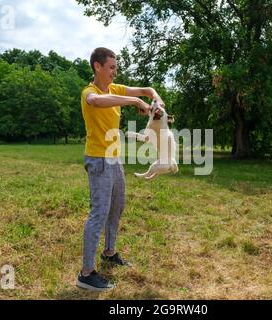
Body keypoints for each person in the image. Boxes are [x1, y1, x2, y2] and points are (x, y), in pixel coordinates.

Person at [77, 47, 165, 291]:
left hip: (115, 159)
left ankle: (109, 252)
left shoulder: (114, 89)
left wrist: (155, 100)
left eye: (116, 67)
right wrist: (135, 101)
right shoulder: (90, 92)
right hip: (99, 160)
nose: (115, 72)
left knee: (117, 206)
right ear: (98, 66)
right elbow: (96, 102)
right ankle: (86, 273)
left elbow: (147, 90)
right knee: (99, 212)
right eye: (111, 67)